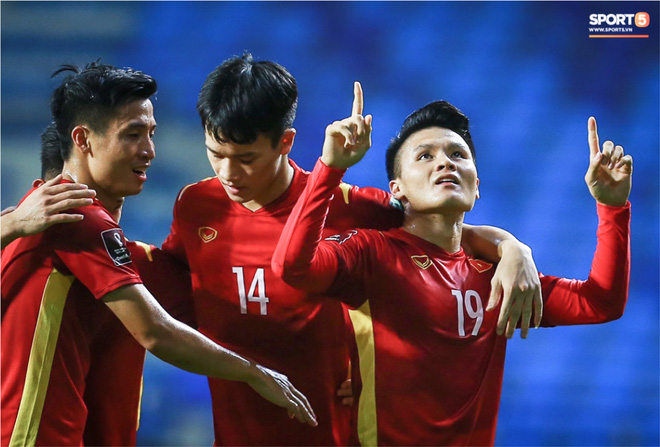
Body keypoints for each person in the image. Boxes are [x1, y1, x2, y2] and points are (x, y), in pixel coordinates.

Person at [162, 53, 543, 445]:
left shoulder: (350, 206)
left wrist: (511, 247)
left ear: (286, 143)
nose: (227, 173)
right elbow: (172, 291)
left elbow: (441, 229)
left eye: (245, 159)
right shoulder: (195, 205)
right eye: (216, 154)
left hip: (332, 432)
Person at [271, 93, 631, 446]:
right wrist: (330, 168)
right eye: (425, 156)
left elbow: (601, 303)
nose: (445, 163)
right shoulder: (372, 253)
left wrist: (612, 209)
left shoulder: (498, 274)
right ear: (398, 190)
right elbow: (292, 267)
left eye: (458, 154)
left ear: (476, 187)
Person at [1, 62, 316, 447]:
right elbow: (155, 331)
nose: (149, 150)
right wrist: (256, 374)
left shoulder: (36, 219)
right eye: (133, 134)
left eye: (150, 133)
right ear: (82, 139)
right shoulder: (76, 218)